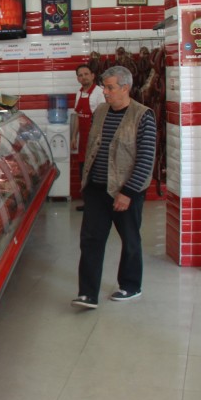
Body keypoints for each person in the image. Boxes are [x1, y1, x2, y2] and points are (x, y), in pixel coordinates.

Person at [72, 65, 156, 309]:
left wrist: (127, 192)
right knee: (91, 240)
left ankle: (130, 285)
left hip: (125, 192)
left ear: (125, 88)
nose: (105, 92)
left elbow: (146, 159)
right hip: (97, 189)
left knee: (130, 240)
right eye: (104, 87)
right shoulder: (100, 111)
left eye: (110, 88)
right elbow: (93, 147)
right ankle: (87, 293)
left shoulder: (143, 116)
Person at [69, 64, 104, 211]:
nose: (83, 77)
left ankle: (98, 205)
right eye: (80, 75)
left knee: (96, 172)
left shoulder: (99, 93)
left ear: (92, 75)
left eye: (86, 74)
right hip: (83, 140)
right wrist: (74, 137)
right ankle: (88, 203)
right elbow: (78, 116)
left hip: (96, 141)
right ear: (78, 78)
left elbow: (103, 117)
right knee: (84, 172)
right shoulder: (79, 93)